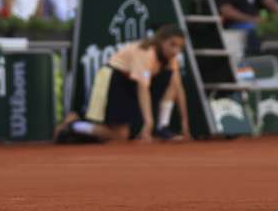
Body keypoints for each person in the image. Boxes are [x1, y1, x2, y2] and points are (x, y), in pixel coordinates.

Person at [55, 25, 191, 143]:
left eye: (179, 47)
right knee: (121, 135)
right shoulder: (146, 53)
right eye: (172, 45)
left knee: (172, 79)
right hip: (114, 79)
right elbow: (142, 88)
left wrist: (185, 122)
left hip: (131, 84)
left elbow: (178, 88)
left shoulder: (170, 59)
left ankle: (163, 127)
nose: (176, 51)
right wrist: (149, 122)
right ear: (161, 41)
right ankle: (74, 125)